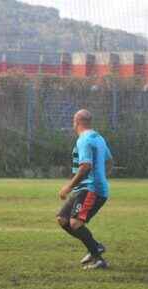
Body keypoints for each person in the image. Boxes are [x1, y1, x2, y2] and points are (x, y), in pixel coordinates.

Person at [56, 109, 111, 270]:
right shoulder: (98, 138)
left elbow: (85, 166)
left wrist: (68, 186)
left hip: (91, 189)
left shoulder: (84, 140)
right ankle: (95, 247)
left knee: (75, 223)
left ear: (77, 122)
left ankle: (98, 258)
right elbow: (109, 161)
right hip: (85, 188)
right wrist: (102, 177)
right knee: (62, 219)